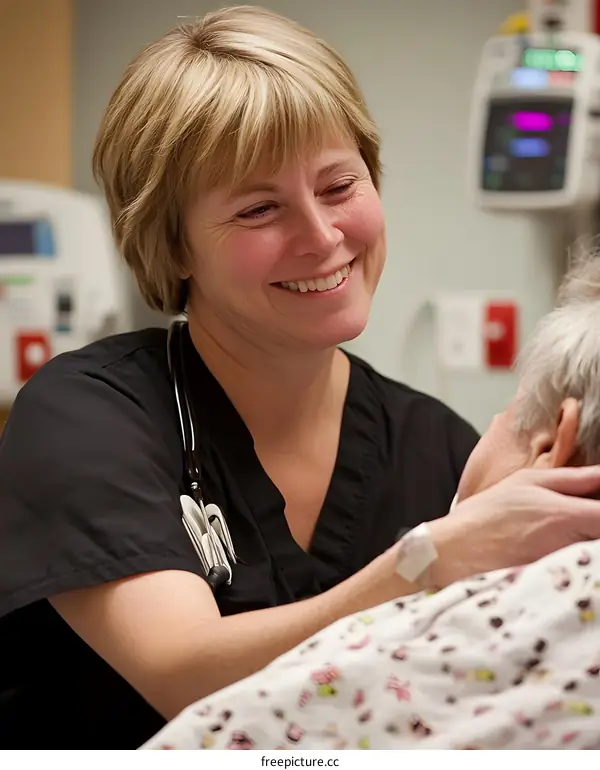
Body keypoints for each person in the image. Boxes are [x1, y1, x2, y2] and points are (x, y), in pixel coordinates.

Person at [1, 5, 600, 750]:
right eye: (259, 209)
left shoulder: (435, 445)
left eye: (340, 186)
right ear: (172, 242)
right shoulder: (89, 415)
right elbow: (182, 673)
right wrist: (431, 560)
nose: (321, 238)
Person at [140, 251, 600, 751]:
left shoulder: (443, 639)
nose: (320, 237)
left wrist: (428, 557)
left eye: (508, 415)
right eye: (260, 208)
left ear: (553, 442)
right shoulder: (110, 413)